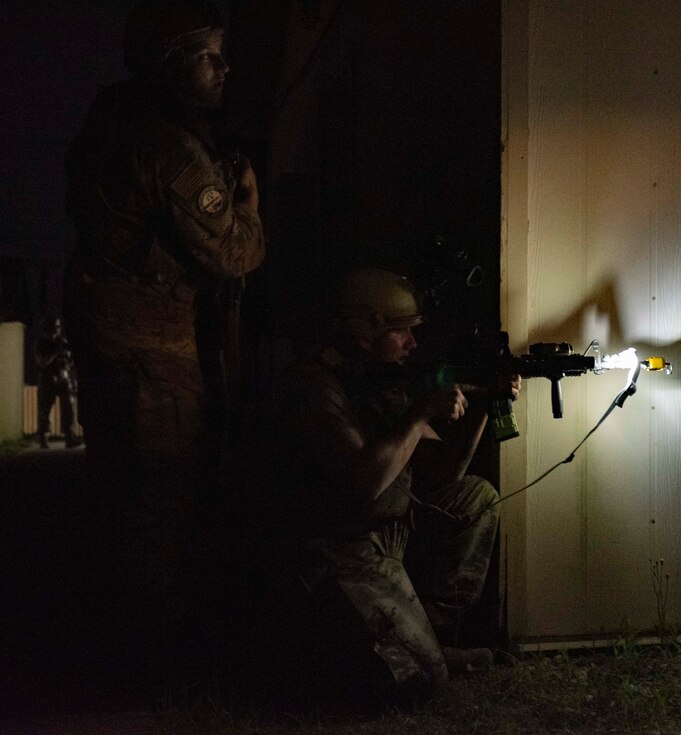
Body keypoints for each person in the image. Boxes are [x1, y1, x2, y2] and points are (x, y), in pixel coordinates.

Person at [62, 0, 265, 696]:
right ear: (170, 60)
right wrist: (245, 194)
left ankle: (114, 649)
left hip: (113, 337)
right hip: (152, 348)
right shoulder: (170, 144)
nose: (223, 68)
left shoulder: (110, 116)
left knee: (119, 496)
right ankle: (145, 669)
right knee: (160, 498)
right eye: (208, 55)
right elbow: (234, 253)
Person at [248, 268, 518, 708]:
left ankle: (424, 633)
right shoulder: (314, 388)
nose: (412, 344)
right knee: (421, 682)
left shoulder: (375, 380)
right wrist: (417, 415)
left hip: (385, 537)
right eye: (401, 333)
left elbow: (446, 474)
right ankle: (401, 652)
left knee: (474, 497)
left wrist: (485, 406)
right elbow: (365, 481)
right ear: (364, 331)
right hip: (333, 551)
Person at [33, 317, 80, 449]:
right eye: (54, 327)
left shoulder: (63, 342)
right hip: (47, 379)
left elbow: (70, 361)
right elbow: (41, 362)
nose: (56, 330)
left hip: (63, 378)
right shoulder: (41, 343)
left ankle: (69, 437)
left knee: (68, 408)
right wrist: (55, 353)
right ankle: (43, 438)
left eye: (58, 327)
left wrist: (67, 364)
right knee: (45, 409)